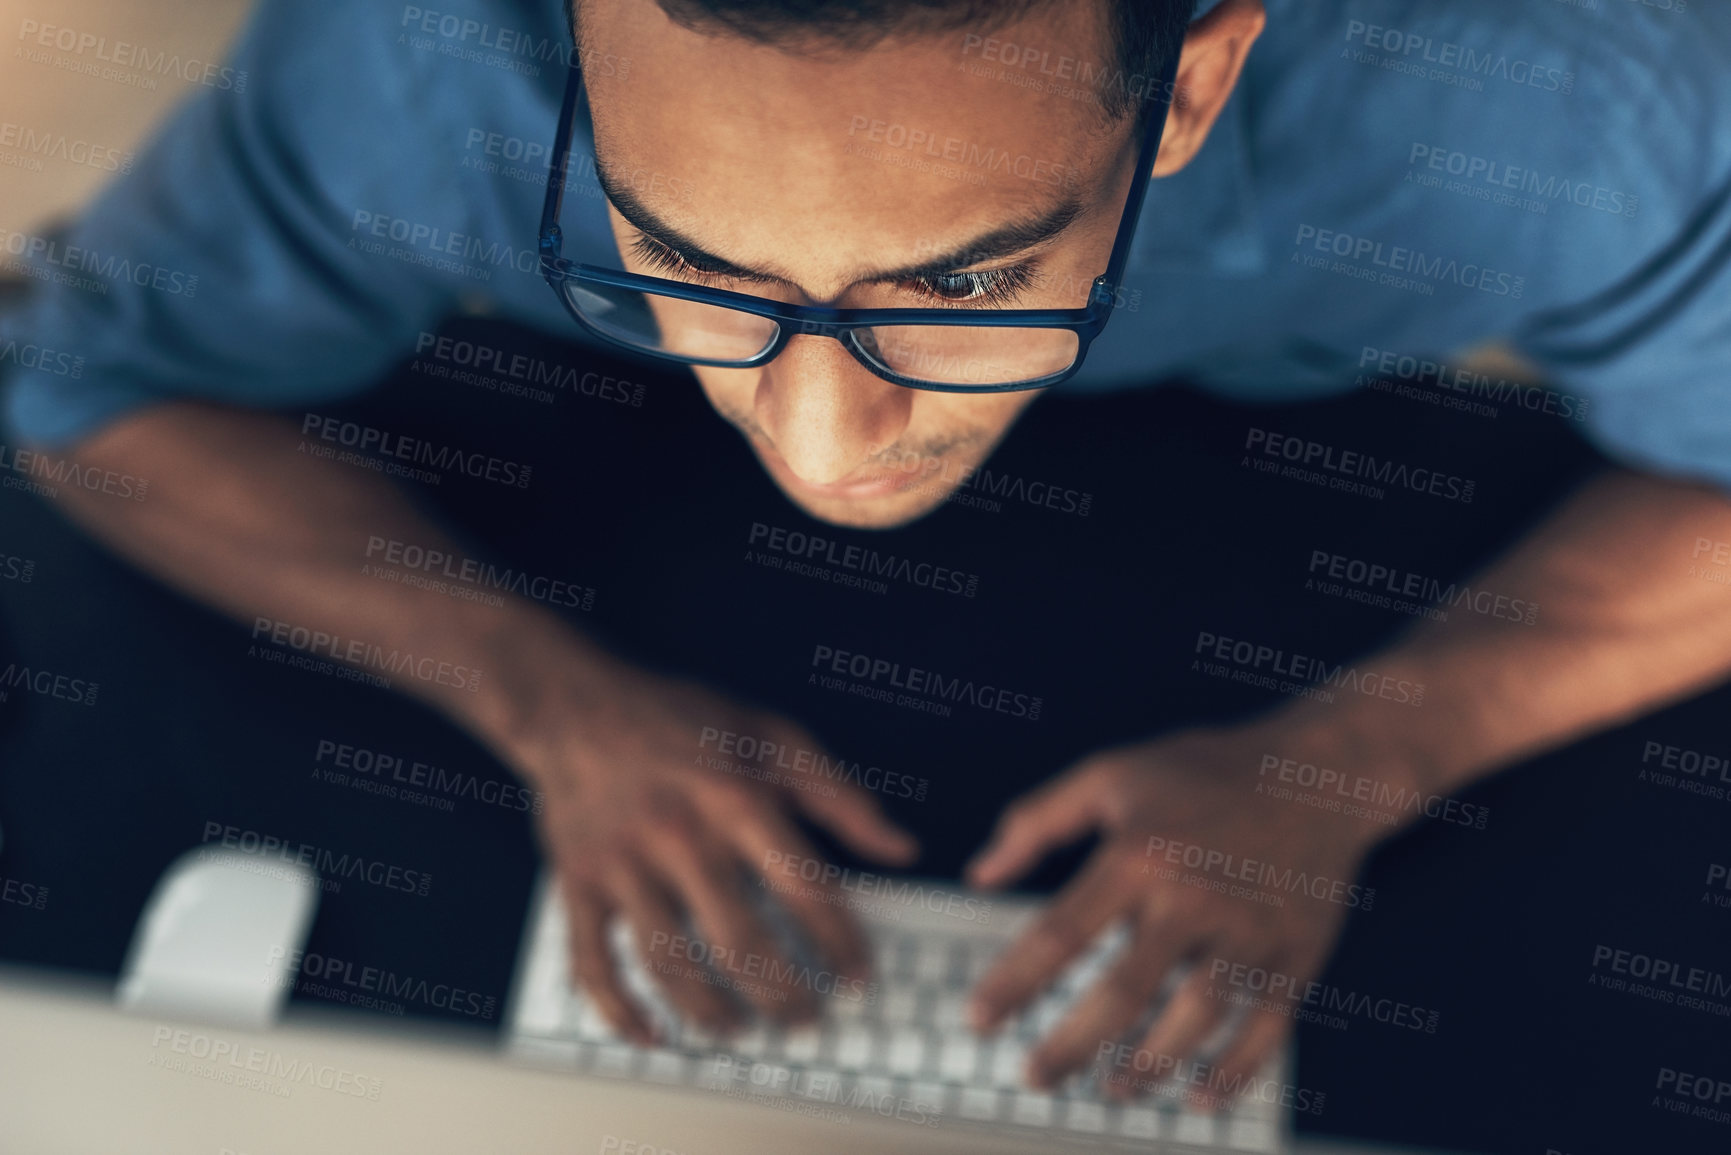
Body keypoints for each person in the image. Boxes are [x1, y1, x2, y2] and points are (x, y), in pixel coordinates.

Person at [3, 0, 1731, 1103]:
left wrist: (1355, 759)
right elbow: (92, 398)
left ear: (1196, 78)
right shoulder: (410, 50)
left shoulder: (1563, 89)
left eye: (966, 281)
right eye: (684, 258)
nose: (826, 447)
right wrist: (546, 700)